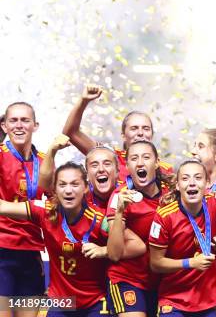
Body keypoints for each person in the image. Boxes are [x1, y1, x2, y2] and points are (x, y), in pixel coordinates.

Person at [0, 161, 146, 316]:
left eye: (75, 184)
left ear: (85, 188)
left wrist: (104, 250)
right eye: (62, 185)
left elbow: (138, 245)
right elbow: (2, 207)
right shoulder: (45, 211)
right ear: (55, 189)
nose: (68, 191)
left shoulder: (99, 219)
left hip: (94, 302)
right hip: (61, 302)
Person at [148, 153, 216, 317]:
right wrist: (190, 263)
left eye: (198, 178)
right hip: (174, 300)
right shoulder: (164, 216)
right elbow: (155, 263)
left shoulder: (215, 202)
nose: (192, 183)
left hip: (210, 301)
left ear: (207, 183)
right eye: (185, 178)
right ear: (177, 185)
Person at [105, 140, 171, 317]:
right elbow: (114, 253)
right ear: (127, 166)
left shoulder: (171, 194)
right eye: (134, 158)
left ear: (157, 163)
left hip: (163, 282)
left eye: (146, 157)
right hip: (128, 279)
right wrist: (119, 211)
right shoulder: (120, 196)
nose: (140, 162)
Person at [62, 85, 173, 182]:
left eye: (146, 128)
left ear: (152, 134)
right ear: (123, 135)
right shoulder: (108, 157)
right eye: (134, 128)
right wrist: (83, 101)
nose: (140, 133)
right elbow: (70, 134)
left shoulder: (165, 169)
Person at [0, 102, 46, 317]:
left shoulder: (45, 162)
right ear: (4, 126)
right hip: (2, 251)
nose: (19, 126)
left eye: (25, 120)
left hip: (31, 251)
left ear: (35, 125)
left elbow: (56, 206)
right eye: (13, 120)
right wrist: (36, 208)